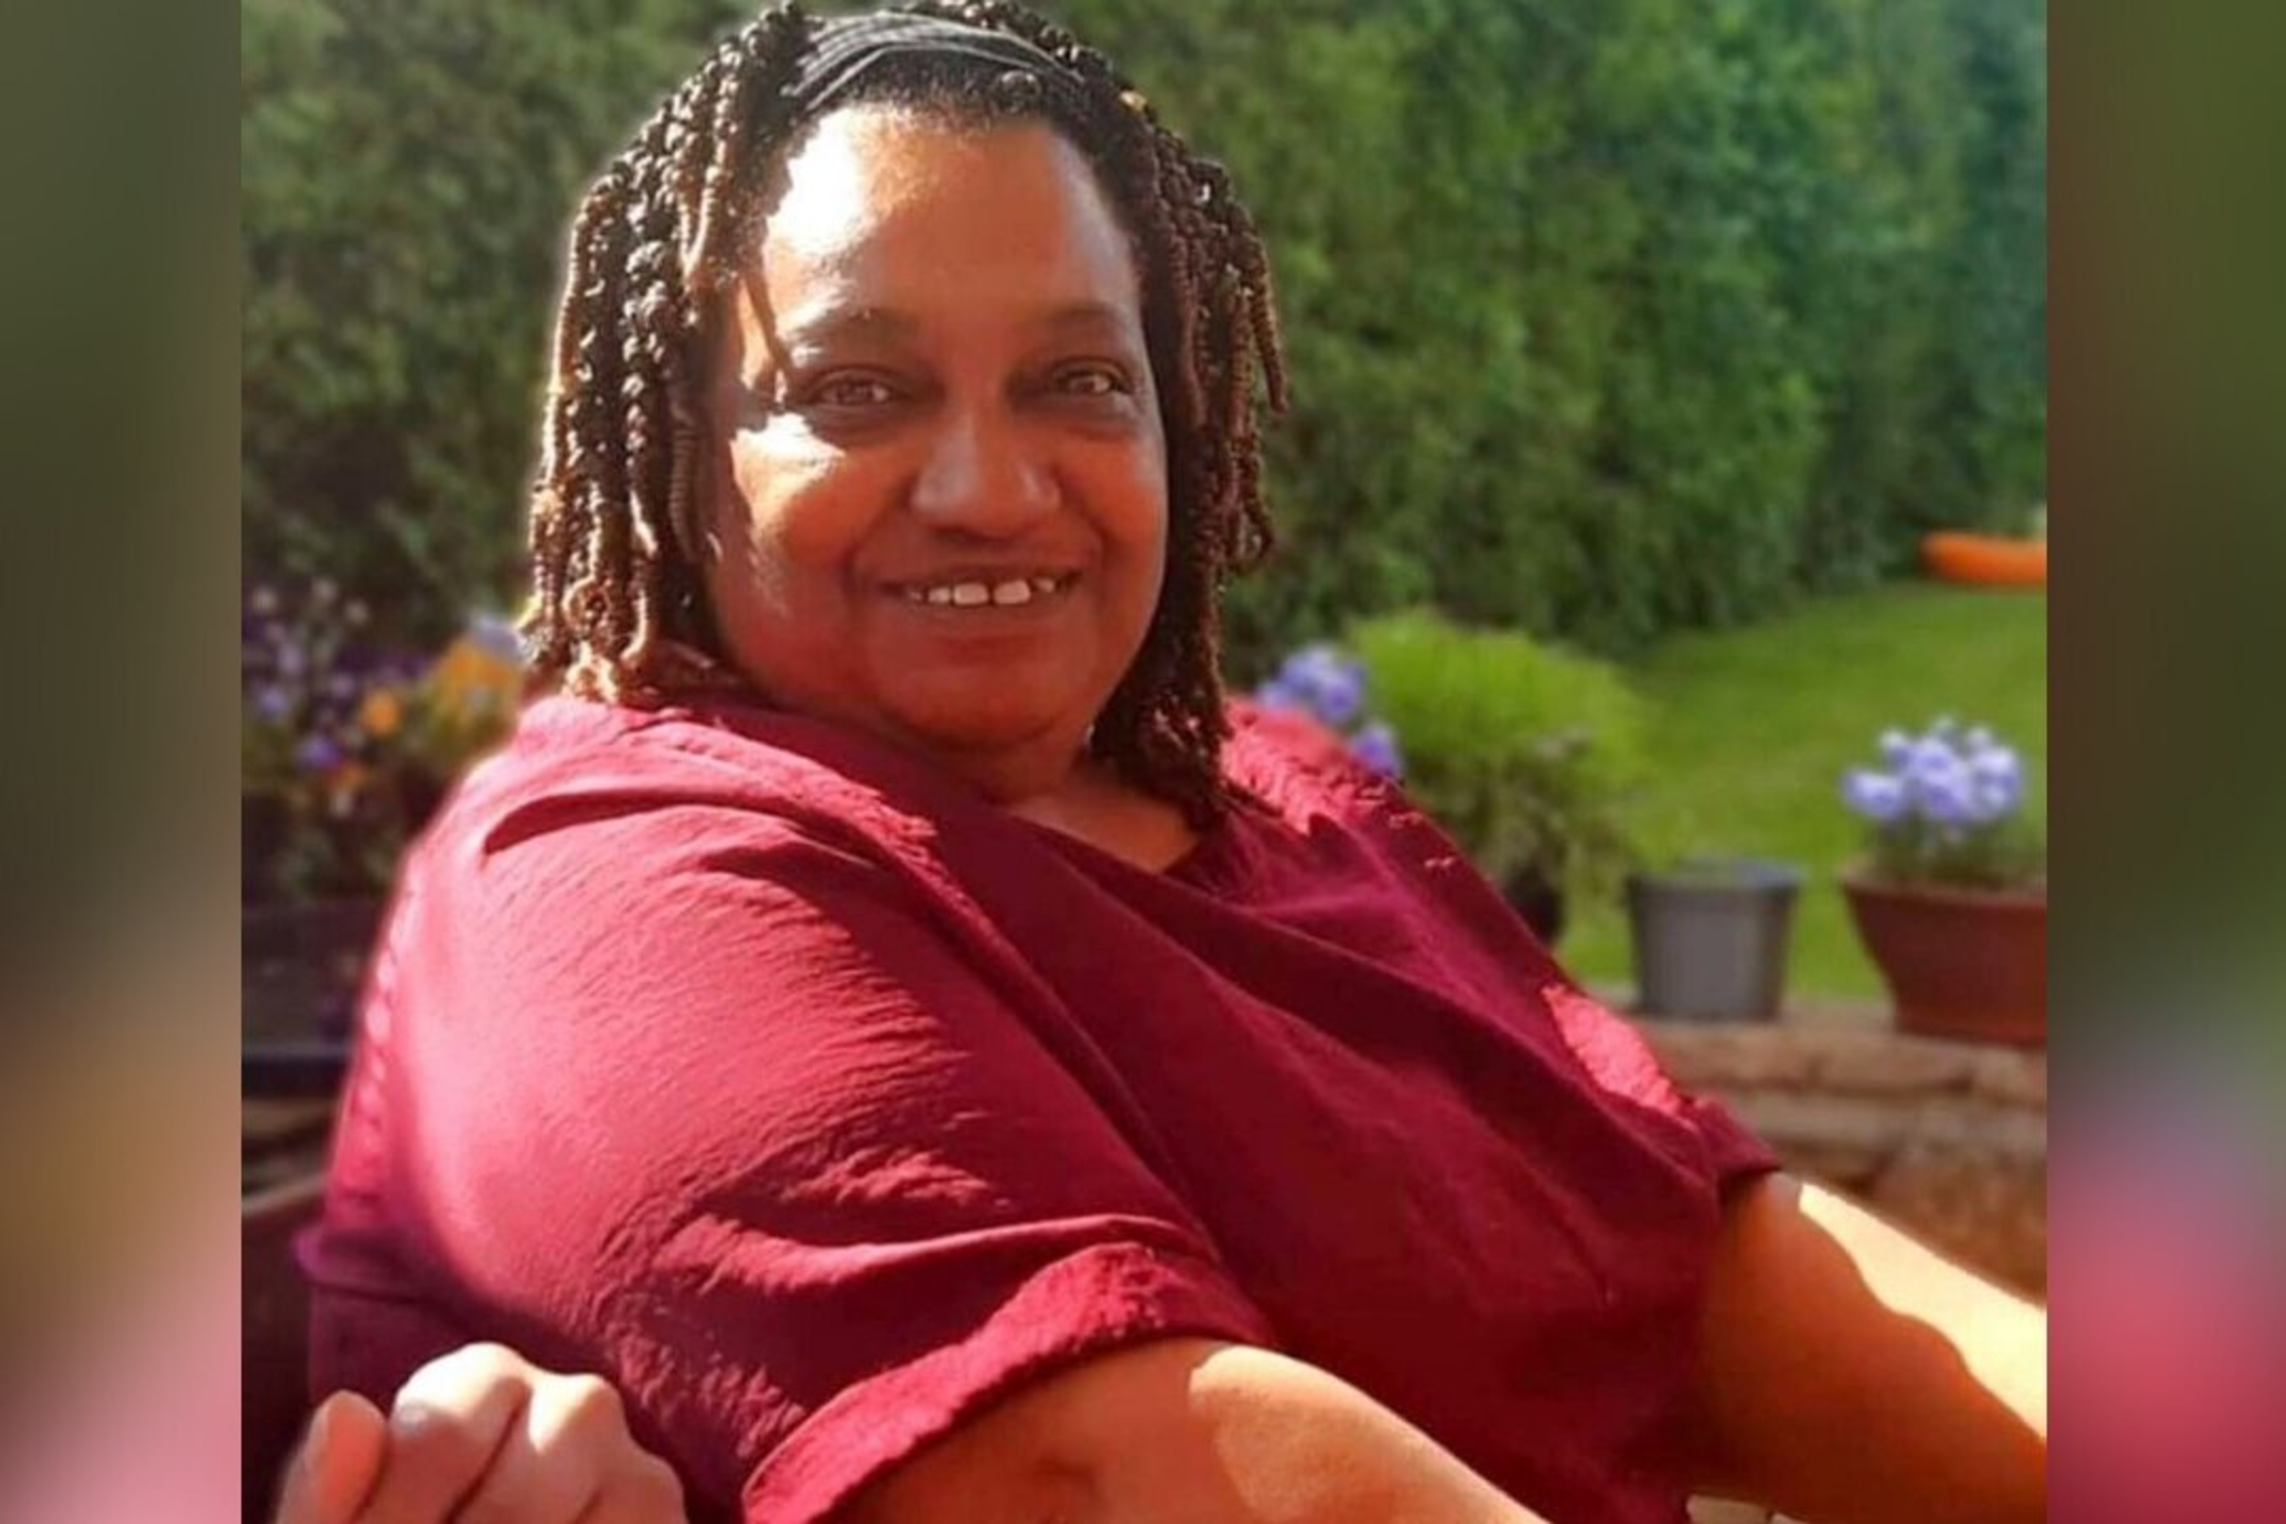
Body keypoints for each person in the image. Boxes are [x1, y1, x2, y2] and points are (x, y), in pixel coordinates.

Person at [283, 4, 2048, 1522]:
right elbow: (1114, 1469)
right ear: (683, 457)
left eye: (1078, 380)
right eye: (857, 390)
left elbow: (1707, 1270)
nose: (989, 488)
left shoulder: (1277, 794)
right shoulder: (623, 891)